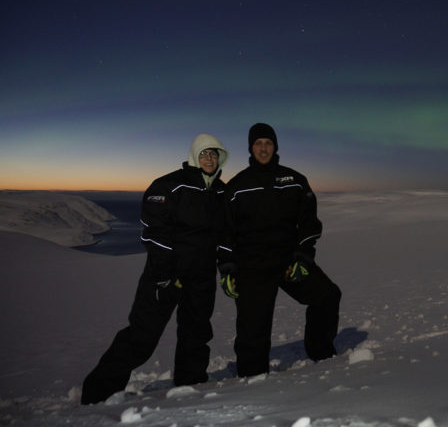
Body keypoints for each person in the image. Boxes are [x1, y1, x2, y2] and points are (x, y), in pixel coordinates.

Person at [81, 133, 229, 405]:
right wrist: (163, 275)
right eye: (204, 153)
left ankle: (190, 387)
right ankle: (97, 395)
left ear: (221, 157)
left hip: (202, 275)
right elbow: (154, 234)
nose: (209, 158)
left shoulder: (221, 191)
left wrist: (226, 265)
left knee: (196, 334)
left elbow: (227, 233)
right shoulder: (169, 185)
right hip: (166, 274)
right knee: (142, 335)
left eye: (214, 153)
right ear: (195, 156)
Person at [218, 123, 341, 377]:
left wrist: (304, 257)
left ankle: (322, 353)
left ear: (275, 146)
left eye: (268, 143)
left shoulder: (294, 180)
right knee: (253, 328)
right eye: (258, 143)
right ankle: (252, 380)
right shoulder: (237, 185)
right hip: (252, 266)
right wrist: (227, 268)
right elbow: (224, 232)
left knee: (327, 296)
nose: (263, 148)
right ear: (251, 148)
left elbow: (309, 222)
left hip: (288, 261)